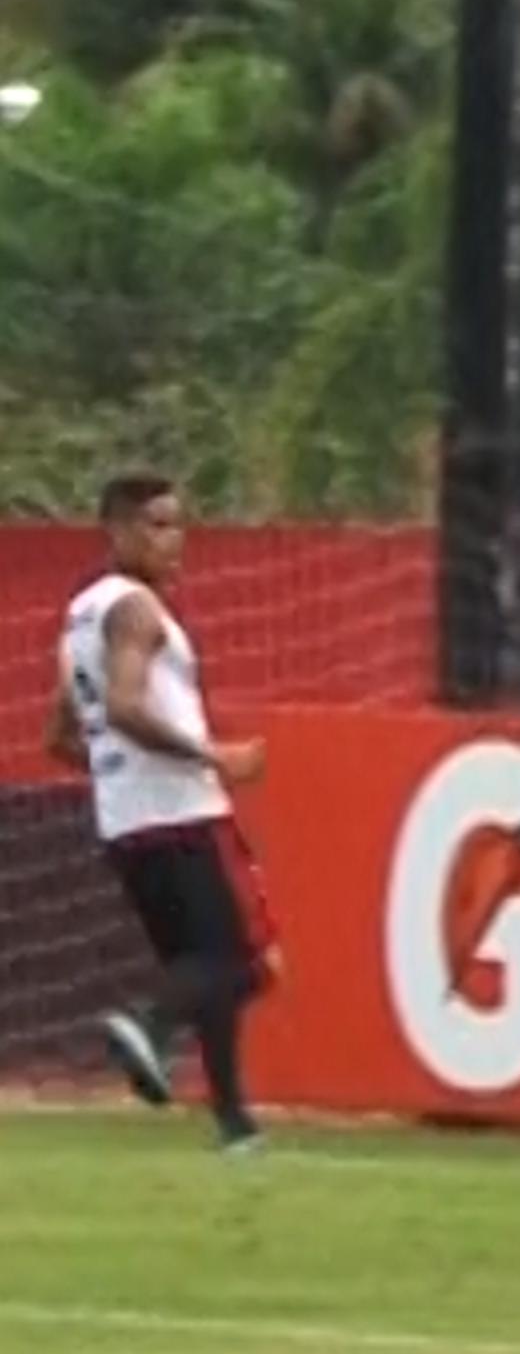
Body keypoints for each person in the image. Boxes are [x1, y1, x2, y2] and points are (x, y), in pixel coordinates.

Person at [48, 472, 274, 1151]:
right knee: (240, 963)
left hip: (124, 822)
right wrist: (212, 757)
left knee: (203, 965)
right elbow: (122, 705)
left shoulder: (77, 619)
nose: (174, 541)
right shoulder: (138, 611)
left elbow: (62, 738)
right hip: (180, 813)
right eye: (156, 525)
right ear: (114, 531)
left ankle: (235, 1126)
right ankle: (148, 1025)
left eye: (178, 525)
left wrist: (116, 772)